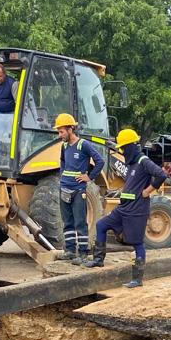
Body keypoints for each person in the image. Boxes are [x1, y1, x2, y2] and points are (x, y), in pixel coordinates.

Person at [86, 128, 167, 288]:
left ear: (130, 146)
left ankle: (137, 279)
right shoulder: (131, 164)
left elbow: (161, 175)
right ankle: (98, 260)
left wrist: (146, 191)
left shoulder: (143, 161)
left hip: (137, 210)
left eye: (123, 148)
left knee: (137, 243)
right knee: (101, 225)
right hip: (123, 209)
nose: (121, 151)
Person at [52, 112, 103, 265]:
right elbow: (62, 161)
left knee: (80, 222)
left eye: (61, 131)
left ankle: (83, 253)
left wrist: (89, 177)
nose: (60, 134)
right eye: (59, 132)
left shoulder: (83, 145)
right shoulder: (64, 146)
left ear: (70, 129)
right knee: (67, 222)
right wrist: (62, 177)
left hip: (78, 190)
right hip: (65, 189)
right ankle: (69, 251)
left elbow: (100, 161)